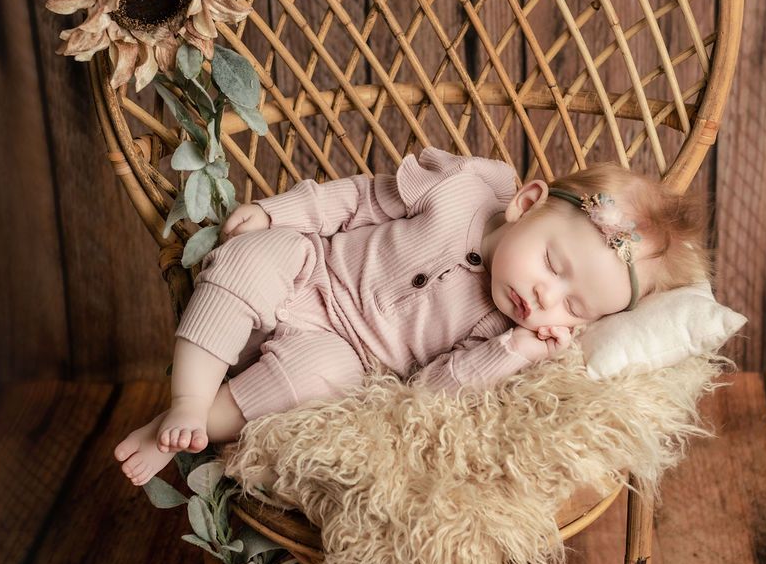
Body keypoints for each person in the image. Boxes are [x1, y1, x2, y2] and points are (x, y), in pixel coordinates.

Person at [114, 147, 711, 485]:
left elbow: (432, 389)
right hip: (314, 268)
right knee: (250, 259)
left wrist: (516, 351)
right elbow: (357, 198)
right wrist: (278, 214)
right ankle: (188, 396)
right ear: (527, 204)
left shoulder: (501, 334)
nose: (544, 297)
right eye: (552, 264)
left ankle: (189, 425)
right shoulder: (458, 192)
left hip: (351, 353)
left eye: (573, 308)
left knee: (319, 382)